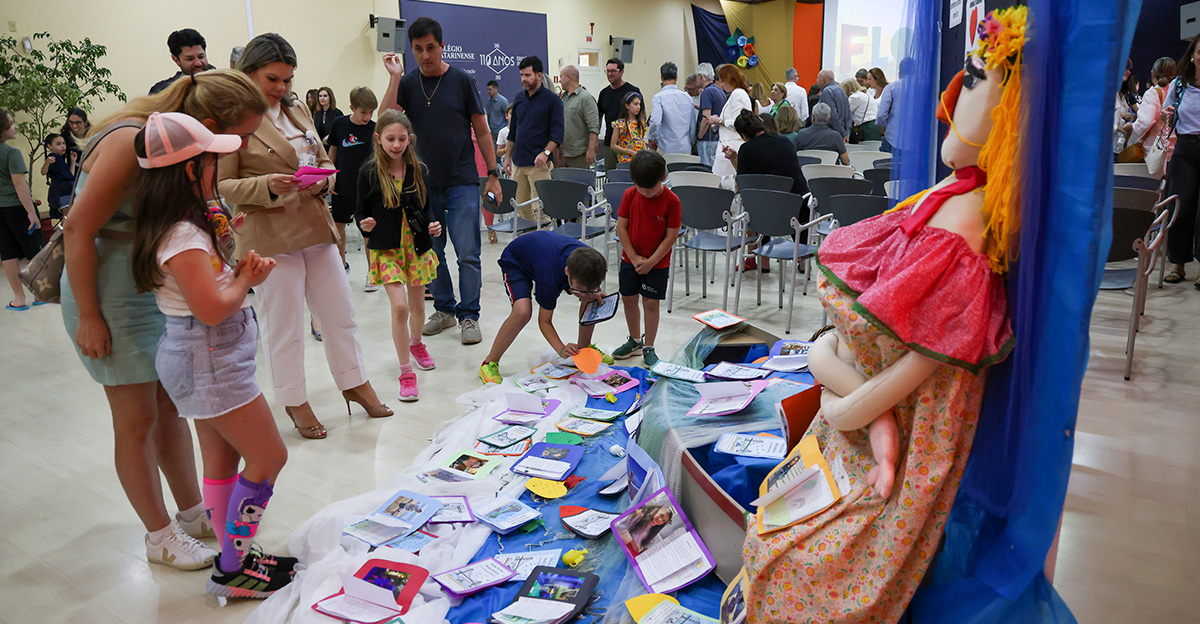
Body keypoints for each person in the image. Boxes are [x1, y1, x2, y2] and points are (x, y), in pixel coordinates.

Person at [741, 8, 1026, 619]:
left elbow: (930, 356)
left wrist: (865, 416)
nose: (951, 98)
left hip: (894, 412)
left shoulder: (969, 221)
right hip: (866, 399)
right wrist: (846, 388)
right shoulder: (949, 197)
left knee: (812, 558)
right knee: (783, 523)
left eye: (975, 79)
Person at [60, 70, 266, 572]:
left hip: (157, 281)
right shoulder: (130, 141)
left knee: (170, 406)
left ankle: (192, 511)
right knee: (136, 419)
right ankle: (159, 535)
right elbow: (77, 230)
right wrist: (89, 315)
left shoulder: (184, 150)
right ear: (210, 124)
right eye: (239, 136)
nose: (240, 148)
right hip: (110, 290)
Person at [128, 111, 292, 598]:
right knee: (270, 455)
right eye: (211, 161)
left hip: (206, 355)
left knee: (222, 461)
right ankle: (235, 566)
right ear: (188, 169)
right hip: (209, 355)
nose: (217, 169)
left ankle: (233, 559)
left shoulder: (182, 224)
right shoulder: (181, 236)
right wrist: (246, 279)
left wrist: (231, 264)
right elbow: (213, 309)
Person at [221, 33, 392, 440]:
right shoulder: (231, 117)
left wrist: (323, 179)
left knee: (340, 312)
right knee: (283, 324)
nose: (281, 88)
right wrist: (266, 185)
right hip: (268, 233)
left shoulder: (297, 109)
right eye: (273, 79)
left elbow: (321, 159)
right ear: (248, 73)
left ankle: (354, 382)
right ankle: (293, 398)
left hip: (314, 223)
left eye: (287, 79)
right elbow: (223, 184)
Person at [381, 16, 502, 346]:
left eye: (430, 48)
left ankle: (469, 315)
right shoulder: (408, 83)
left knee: (468, 253)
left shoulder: (461, 81)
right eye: (418, 49)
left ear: (442, 46)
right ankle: (445, 309)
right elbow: (385, 121)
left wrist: (493, 174)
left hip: (461, 180)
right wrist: (394, 78)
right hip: (421, 185)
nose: (425, 55)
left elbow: (482, 131)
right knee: (432, 253)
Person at [355, 110, 443, 401]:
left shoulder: (418, 170)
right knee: (401, 307)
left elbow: (427, 207)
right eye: (390, 139)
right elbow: (360, 211)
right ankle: (406, 372)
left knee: (417, 307)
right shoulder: (369, 172)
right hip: (387, 249)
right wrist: (364, 223)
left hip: (415, 247)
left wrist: (433, 224)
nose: (396, 145)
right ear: (378, 139)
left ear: (410, 139)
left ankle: (416, 344)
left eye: (402, 139)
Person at [478, 231, 607, 384]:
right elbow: (544, 322)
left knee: (591, 299)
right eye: (579, 289)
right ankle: (489, 363)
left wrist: (591, 293)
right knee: (522, 312)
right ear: (567, 272)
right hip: (516, 261)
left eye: (590, 288)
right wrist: (561, 349)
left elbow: (588, 291)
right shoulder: (550, 278)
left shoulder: (593, 263)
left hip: (543, 255)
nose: (583, 293)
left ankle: (584, 349)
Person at [611, 151, 680, 367]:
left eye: (650, 188)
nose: (645, 192)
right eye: (641, 187)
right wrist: (633, 256)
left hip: (657, 263)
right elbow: (621, 227)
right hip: (630, 259)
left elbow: (671, 236)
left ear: (663, 178)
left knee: (650, 303)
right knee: (628, 298)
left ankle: (648, 346)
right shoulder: (630, 195)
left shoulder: (672, 201)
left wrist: (651, 262)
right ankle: (634, 341)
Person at [327, 86, 378, 277]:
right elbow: (333, 149)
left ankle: (372, 273)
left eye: (371, 112)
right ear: (352, 108)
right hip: (342, 186)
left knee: (368, 231)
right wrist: (329, 175)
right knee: (338, 227)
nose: (367, 117)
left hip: (367, 189)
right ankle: (341, 266)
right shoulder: (340, 123)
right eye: (363, 112)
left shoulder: (374, 129)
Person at [1163, 33, 1200, 287]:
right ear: (1193, 56)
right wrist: (1166, 115)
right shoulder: (1179, 84)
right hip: (1185, 149)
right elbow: (1167, 114)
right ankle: (1178, 264)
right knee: (1180, 206)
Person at [506, 55, 564, 220]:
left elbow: (558, 133)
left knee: (541, 211)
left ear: (539, 75)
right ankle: (529, 236)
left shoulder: (552, 100)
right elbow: (513, 131)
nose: (523, 79)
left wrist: (546, 153)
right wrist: (508, 157)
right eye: (521, 75)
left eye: (527, 75)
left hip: (539, 164)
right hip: (519, 162)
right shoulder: (519, 99)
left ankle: (542, 236)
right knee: (522, 209)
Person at [0, 109, 45, 311]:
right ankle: (39, 294)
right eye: (10, 124)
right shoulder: (12, 153)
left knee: (7, 254)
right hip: (18, 208)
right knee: (35, 250)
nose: (15, 127)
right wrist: (32, 213)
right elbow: (20, 185)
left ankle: (18, 299)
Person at [727, 110, 808, 196]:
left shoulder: (746, 150)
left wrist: (735, 161)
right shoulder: (785, 142)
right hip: (798, 198)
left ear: (743, 135)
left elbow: (742, 185)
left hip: (768, 201)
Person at [705, 64, 754, 182]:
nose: (721, 85)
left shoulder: (737, 94)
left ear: (730, 80)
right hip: (729, 145)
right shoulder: (738, 94)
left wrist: (718, 120)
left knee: (717, 183)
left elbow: (739, 122)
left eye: (723, 81)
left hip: (730, 146)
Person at [1130, 57, 1177, 179]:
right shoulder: (1176, 93)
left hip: (1153, 152)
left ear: (1152, 73)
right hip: (1173, 150)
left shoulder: (1153, 93)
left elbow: (1146, 121)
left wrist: (1131, 139)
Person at [598, 58, 641, 170]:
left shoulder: (632, 91)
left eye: (613, 71)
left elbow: (641, 115)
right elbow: (599, 116)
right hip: (610, 143)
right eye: (607, 71)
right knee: (611, 175)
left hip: (629, 143)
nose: (610, 74)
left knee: (630, 174)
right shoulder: (604, 93)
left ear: (621, 72)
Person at [648, 62, 695, 155]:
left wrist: (651, 138)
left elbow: (655, 122)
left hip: (665, 148)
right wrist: (692, 142)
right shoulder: (687, 98)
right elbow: (692, 126)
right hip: (685, 147)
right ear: (676, 77)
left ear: (661, 78)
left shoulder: (659, 97)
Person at [148, 29, 215, 95]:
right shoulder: (161, 91)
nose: (198, 63)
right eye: (190, 59)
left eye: (201, 57)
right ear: (176, 60)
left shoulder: (219, 84)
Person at [558, 65, 600, 168]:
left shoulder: (586, 98)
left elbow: (594, 127)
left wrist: (591, 150)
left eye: (561, 77)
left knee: (579, 179)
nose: (559, 80)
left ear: (568, 77)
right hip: (563, 153)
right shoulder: (563, 98)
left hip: (579, 155)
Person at [40, 133, 76, 219]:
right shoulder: (52, 158)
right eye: (58, 144)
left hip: (69, 190)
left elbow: (70, 175)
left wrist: (73, 161)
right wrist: (47, 162)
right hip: (62, 192)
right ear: (50, 146)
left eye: (63, 143)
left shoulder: (60, 159)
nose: (63, 146)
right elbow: (43, 172)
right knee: (68, 218)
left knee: (72, 217)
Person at [697, 63, 726, 167]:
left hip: (707, 139)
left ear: (701, 77)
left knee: (706, 169)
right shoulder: (719, 91)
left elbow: (706, 118)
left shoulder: (707, 92)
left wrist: (699, 137)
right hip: (717, 137)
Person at [876, 61, 908, 153]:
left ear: (900, 71)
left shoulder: (892, 87)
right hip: (915, 142)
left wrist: (889, 125)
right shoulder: (923, 88)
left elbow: (881, 114)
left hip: (893, 139)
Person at [610, 92, 647, 163]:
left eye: (639, 104)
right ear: (627, 106)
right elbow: (613, 145)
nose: (638, 107)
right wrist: (630, 152)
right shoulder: (619, 123)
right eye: (635, 104)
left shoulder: (641, 123)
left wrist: (646, 154)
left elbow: (642, 141)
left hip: (639, 160)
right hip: (625, 160)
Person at [816, 69, 852, 141]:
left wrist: (842, 133)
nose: (816, 80)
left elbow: (832, 115)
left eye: (818, 78)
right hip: (842, 133)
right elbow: (849, 113)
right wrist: (847, 133)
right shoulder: (841, 90)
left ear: (823, 80)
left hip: (832, 133)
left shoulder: (827, 91)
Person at [861, 68, 888, 141]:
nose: (867, 82)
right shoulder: (870, 91)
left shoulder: (887, 91)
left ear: (877, 79)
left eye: (870, 79)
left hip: (884, 126)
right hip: (872, 124)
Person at [842, 78, 872, 142]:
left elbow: (845, 113)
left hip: (865, 127)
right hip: (872, 125)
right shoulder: (866, 94)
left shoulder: (854, 97)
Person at [61, 108, 91, 173]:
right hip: (73, 174)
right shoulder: (64, 137)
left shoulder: (93, 136)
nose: (74, 126)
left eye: (78, 122)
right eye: (71, 122)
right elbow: (60, 158)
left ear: (85, 122)